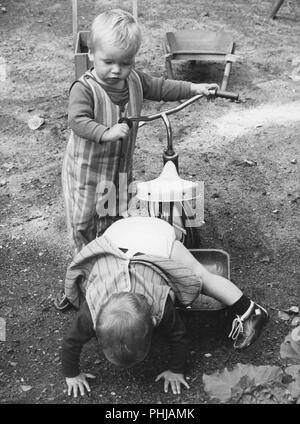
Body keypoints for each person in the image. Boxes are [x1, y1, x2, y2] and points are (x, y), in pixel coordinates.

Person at [62, 8, 219, 255]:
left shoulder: (134, 79)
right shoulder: (85, 89)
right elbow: (77, 120)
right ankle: (84, 264)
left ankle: (112, 253)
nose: (117, 70)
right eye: (108, 62)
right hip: (87, 172)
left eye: (125, 63)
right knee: (84, 219)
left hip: (118, 167)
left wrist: (194, 88)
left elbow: (161, 87)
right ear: (92, 54)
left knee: (113, 211)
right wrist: (105, 132)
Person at [59, 217, 269, 398]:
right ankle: (69, 293)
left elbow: (179, 336)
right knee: (85, 276)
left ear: (153, 321)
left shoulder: (161, 305)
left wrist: (177, 370)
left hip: (157, 241)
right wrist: (71, 374)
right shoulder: (90, 312)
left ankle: (249, 310)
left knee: (200, 278)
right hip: (118, 234)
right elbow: (70, 342)